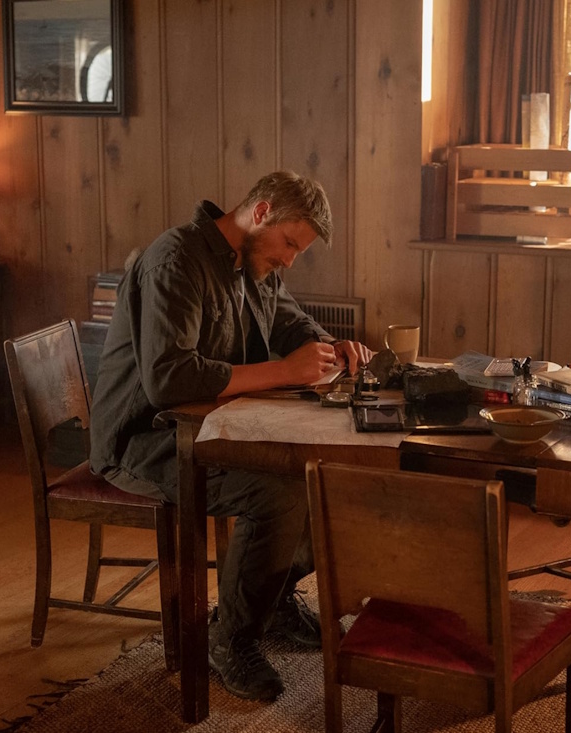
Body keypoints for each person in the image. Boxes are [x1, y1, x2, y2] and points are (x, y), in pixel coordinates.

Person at [89, 171, 373, 702]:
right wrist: (285, 371)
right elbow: (169, 379)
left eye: (299, 251)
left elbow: (291, 324)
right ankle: (230, 639)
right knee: (280, 490)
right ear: (260, 212)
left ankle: (272, 600)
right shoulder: (175, 260)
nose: (291, 260)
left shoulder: (255, 262)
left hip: (214, 429)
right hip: (144, 441)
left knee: (330, 472)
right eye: (290, 244)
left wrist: (331, 346)